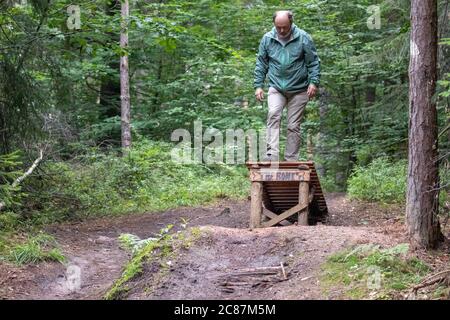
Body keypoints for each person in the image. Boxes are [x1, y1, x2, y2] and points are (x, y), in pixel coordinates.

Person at [254, 10, 321, 162]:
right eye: (278, 27)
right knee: (273, 114)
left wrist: (314, 82)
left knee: (293, 125)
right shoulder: (267, 39)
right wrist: (258, 85)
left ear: (291, 23)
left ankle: (291, 159)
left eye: (285, 27)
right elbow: (261, 63)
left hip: (299, 89)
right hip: (276, 87)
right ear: (274, 25)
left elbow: (313, 62)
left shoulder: (303, 38)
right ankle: (272, 155)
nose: (282, 30)